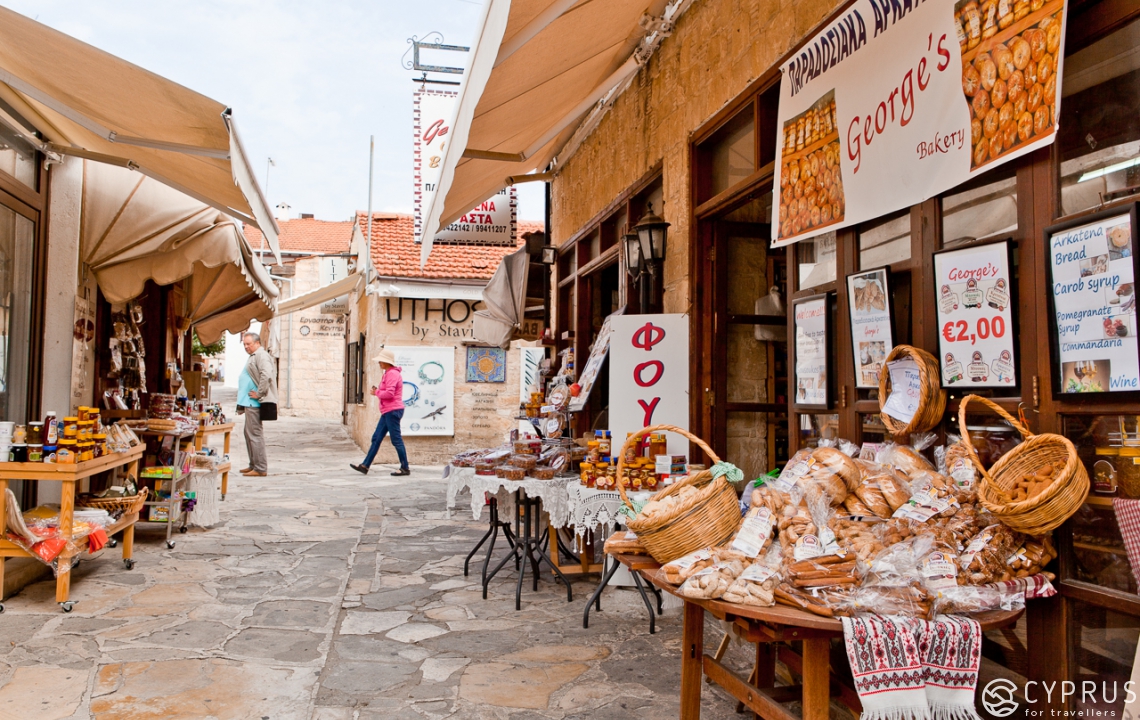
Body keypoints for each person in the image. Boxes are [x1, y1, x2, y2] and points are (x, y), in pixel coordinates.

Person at [351, 348, 410, 476]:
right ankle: (365, 466)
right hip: (388, 411)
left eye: (381, 361)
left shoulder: (392, 374)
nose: (379, 363)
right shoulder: (388, 373)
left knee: (396, 439)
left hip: (393, 411)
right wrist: (378, 391)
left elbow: (389, 393)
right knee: (376, 438)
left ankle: (405, 468)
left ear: (386, 362)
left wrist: (376, 392)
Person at [237, 332, 278, 477]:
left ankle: (260, 468)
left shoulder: (261, 355)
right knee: (248, 433)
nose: (246, 347)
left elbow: (266, 375)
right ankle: (253, 464)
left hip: (255, 402)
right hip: (249, 402)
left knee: (254, 434)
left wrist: (260, 393)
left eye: (249, 344)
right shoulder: (254, 356)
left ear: (257, 343)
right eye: (245, 344)